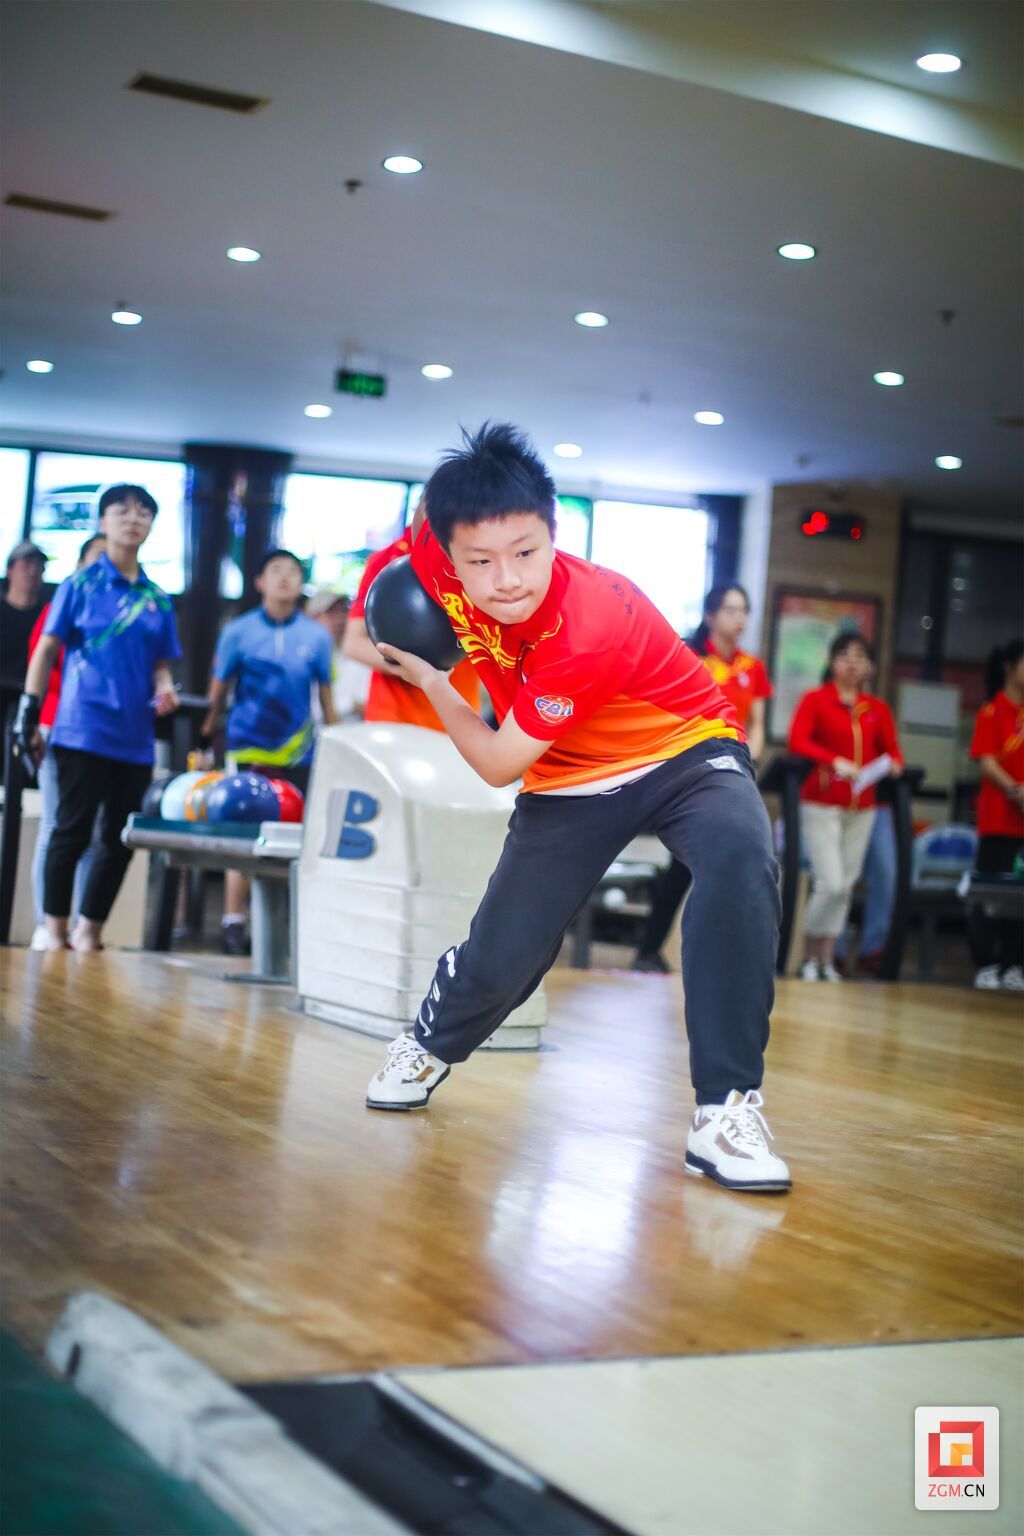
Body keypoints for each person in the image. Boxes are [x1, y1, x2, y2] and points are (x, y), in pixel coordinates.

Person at [364, 423, 790, 1195]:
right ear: (444, 552)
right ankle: (428, 1042)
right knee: (505, 956)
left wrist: (432, 682)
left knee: (741, 856)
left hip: (683, 748)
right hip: (567, 774)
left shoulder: (587, 622)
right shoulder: (430, 552)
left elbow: (497, 760)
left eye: (527, 552)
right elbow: (395, 579)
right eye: (480, 561)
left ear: (555, 534)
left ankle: (726, 1110)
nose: (506, 580)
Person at [15, 485, 181, 952]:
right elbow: (47, 649)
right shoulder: (79, 585)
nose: (134, 518)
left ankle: (90, 929)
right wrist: (30, 709)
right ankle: (53, 929)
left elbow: (160, 664)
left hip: (135, 737)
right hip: (81, 729)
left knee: (118, 837)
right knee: (70, 830)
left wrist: (165, 686)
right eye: (122, 510)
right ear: (103, 522)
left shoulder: (157, 597)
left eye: (144, 512)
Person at [201, 549, 336, 954]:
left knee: (294, 839)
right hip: (248, 749)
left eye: (293, 571)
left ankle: (288, 930)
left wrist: (335, 745)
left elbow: (326, 699)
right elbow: (217, 693)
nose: (284, 578)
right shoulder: (238, 632)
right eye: (276, 570)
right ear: (260, 581)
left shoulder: (317, 637)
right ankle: (233, 921)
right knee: (244, 836)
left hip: (299, 755)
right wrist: (205, 737)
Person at [632, 583, 771, 972]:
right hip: (690, 768)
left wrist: (749, 756)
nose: (739, 618)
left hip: (735, 770)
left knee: (721, 862)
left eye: (744, 610)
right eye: (730, 610)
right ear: (710, 616)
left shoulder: (753, 667)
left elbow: (757, 723)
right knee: (683, 865)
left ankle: (700, 956)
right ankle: (650, 950)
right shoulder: (690, 657)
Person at [788, 632, 903, 982]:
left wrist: (894, 764)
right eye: (845, 656)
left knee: (846, 886)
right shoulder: (816, 700)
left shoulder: (877, 709)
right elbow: (798, 741)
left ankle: (826, 961)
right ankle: (808, 956)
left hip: (863, 808)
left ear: (870, 666)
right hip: (821, 804)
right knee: (831, 883)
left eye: (860, 657)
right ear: (832, 662)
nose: (852, 663)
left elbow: (893, 752)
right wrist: (834, 760)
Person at [26, 533, 107, 949]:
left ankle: (80, 925)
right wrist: (34, 721)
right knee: (58, 825)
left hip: (104, 738)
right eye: (97, 558)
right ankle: (47, 923)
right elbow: (41, 663)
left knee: (95, 834)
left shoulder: (131, 610)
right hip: (58, 728)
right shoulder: (65, 601)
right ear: (79, 566)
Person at [344, 503, 482, 731]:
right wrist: (415, 670)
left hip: (459, 718)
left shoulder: (479, 559)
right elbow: (353, 643)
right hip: (391, 717)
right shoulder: (386, 560)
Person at [968, 638, 1024, 991]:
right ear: (1009, 667)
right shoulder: (992, 711)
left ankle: (1015, 962)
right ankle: (988, 962)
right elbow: (986, 761)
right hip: (999, 818)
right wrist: (1016, 790)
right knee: (992, 893)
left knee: (1021, 896)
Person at [1, 540, 48, 767]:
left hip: (29, 702)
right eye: (26, 564)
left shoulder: (48, 617)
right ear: (10, 570)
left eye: (39, 566)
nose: (33, 571)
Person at [306, 591, 370, 721]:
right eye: (331, 612)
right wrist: (352, 705)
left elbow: (367, 704)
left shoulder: (359, 655)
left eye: (343, 611)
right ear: (313, 617)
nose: (339, 619)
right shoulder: (304, 658)